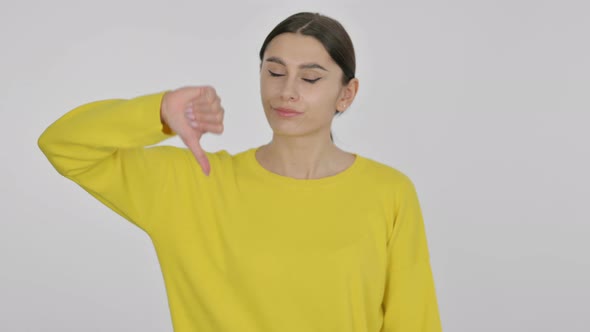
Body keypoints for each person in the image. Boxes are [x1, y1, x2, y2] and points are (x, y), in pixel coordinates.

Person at [38, 12, 442, 332]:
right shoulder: (195, 183)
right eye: (275, 71)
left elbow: (414, 323)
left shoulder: (388, 193)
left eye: (311, 77)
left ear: (346, 94)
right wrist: (158, 110)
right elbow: (63, 145)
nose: (288, 90)